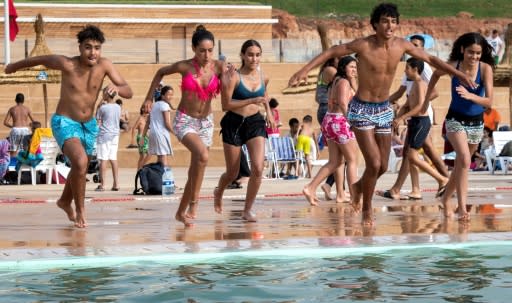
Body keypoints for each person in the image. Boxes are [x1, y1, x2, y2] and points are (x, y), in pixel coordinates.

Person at [288, 3, 475, 225]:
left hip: (384, 110)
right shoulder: (364, 45)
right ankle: (367, 208)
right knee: (374, 163)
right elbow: (332, 52)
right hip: (362, 109)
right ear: (375, 24)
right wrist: (303, 71)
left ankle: (357, 188)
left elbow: (432, 60)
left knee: (384, 166)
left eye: (393, 21)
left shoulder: (401, 46)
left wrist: (459, 75)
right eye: (385, 21)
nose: (390, 25)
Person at [5, 25, 133, 228]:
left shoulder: (105, 66)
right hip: (64, 121)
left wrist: (116, 88)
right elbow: (39, 59)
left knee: (79, 167)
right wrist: (14, 66)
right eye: (88, 47)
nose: (93, 52)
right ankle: (81, 211)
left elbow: (128, 91)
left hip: (89, 125)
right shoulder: (67, 64)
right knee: (81, 162)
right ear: (80, 47)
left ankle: (64, 201)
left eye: (97, 48)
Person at [141, 25, 225, 227]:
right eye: (202, 50)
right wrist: (148, 99)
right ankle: (194, 202)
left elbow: (234, 82)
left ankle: (181, 212)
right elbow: (160, 72)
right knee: (203, 155)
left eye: (210, 50)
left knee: (196, 169)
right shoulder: (185, 66)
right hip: (184, 120)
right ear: (194, 49)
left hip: (205, 122)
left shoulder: (219, 67)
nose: (206, 55)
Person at [426, 32, 494, 221]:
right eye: (471, 52)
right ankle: (462, 207)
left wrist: (470, 95)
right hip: (455, 119)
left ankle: (446, 197)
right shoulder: (455, 65)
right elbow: (435, 75)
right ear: (463, 50)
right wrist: (426, 99)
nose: (474, 57)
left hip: (476, 123)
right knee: (463, 159)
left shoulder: (485, 69)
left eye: (478, 53)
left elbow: (489, 101)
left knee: (461, 165)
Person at [377, 34, 449, 200]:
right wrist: (384, 105)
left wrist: (416, 107)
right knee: (411, 154)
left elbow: (432, 94)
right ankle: (413, 189)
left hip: (422, 117)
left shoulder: (423, 69)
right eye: (411, 45)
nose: (413, 48)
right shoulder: (409, 71)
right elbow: (404, 94)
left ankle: (445, 180)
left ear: (422, 48)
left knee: (417, 154)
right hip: (414, 118)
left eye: (416, 45)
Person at [214, 39, 275, 222]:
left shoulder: (263, 76)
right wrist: (250, 100)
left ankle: (247, 209)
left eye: (257, 55)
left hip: (255, 122)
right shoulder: (233, 77)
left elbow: (264, 97)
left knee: (257, 168)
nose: (254, 58)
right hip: (233, 122)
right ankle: (219, 191)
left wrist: (269, 114)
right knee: (232, 173)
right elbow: (226, 105)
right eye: (250, 54)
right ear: (242, 55)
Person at [302, 56, 359, 205]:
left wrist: (353, 82)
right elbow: (342, 103)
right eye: (351, 67)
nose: (354, 70)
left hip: (330, 120)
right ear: (343, 67)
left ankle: (311, 187)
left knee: (335, 161)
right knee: (352, 161)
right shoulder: (344, 82)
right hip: (340, 122)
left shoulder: (337, 81)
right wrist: (351, 122)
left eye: (355, 67)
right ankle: (355, 197)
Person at [392, 57, 448, 199]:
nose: (405, 71)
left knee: (412, 155)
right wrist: (397, 118)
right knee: (410, 156)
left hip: (421, 122)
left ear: (415, 69)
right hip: (414, 122)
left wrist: (402, 118)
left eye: (407, 68)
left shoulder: (420, 84)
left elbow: (419, 107)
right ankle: (416, 190)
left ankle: (442, 179)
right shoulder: (413, 84)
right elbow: (407, 104)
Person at [315, 58, 339, 199]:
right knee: (343, 153)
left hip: (324, 109)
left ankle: (334, 186)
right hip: (328, 109)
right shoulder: (331, 70)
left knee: (339, 153)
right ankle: (329, 184)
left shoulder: (324, 71)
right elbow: (345, 84)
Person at [95, 87, 121, 192]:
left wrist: (99, 104)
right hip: (115, 135)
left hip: (105, 135)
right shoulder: (118, 107)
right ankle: (116, 184)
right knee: (113, 159)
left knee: (103, 159)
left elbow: (97, 119)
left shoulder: (103, 108)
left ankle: (102, 184)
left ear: (107, 94)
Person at [141, 85, 174, 167]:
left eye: (171, 95)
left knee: (159, 157)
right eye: (168, 95)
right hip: (161, 134)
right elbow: (167, 123)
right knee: (163, 157)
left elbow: (148, 122)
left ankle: (159, 177)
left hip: (153, 133)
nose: (170, 97)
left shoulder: (154, 105)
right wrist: (176, 133)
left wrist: (143, 137)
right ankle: (165, 177)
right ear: (162, 95)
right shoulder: (164, 105)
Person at [3, 93, 34, 157]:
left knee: (13, 151)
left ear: (15, 100)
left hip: (15, 129)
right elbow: (34, 122)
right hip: (25, 130)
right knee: (25, 150)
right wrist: (29, 125)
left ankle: (13, 165)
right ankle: (24, 165)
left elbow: (5, 122)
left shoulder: (12, 109)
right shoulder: (27, 109)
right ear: (23, 100)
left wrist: (12, 126)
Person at [131, 106, 151, 170]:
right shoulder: (140, 118)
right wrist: (132, 140)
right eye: (146, 107)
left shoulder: (147, 118)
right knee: (146, 154)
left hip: (146, 138)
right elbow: (134, 128)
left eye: (149, 108)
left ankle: (139, 169)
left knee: (143, 156)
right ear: (142, 109)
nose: (148, 109)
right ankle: (140, 168)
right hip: (141, 138)